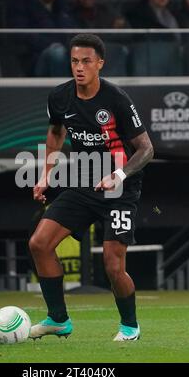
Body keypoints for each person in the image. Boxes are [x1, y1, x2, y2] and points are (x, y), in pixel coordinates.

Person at [28, 34, 154, 341]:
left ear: (100, 63)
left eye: (86, 61)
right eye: (74, 61)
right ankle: (58, 319)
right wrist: (46, 174)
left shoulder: (117, 99)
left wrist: (119, 176)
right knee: (39, 244)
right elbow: (56, 132)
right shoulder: (59, 97)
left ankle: (130, 327)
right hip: (84, 183)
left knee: (113, 264)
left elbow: (146, 149)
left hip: (120, 190)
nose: (79, 67)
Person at [6, 0, 76, 77]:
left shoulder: (64, 7)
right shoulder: (21, 7)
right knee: (57, 53)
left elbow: (72, 33)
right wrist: (53, 44)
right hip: (35, 59)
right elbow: (22, 36)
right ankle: (63, 91)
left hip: (67, 55)